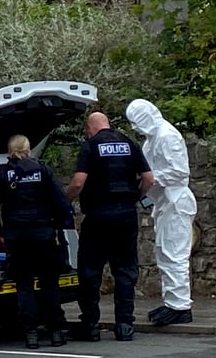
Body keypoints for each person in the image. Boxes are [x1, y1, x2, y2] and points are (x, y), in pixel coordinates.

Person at [66, 112, 154, 342]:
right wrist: (136, 195)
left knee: (90, 271)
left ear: (90, 127)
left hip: (98, 216)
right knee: (125, 271)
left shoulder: (90, 146)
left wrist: (65, 200)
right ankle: (125, 325)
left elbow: (78, 182)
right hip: (126, 216)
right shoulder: (128, 142)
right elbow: (149, 178)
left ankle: (91, 325)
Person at [0, 134, 69, 349]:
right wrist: (57, 226)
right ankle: (56, 332)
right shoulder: (43, 171)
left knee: (25, 286)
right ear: (29, 150)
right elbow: (61, 202)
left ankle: (31, 334)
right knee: (49, 284)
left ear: (9, 152)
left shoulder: (4, 174)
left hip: (17, 237)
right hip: (44, 235)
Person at [126, 99, 197, 326]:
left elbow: (178, 172)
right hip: (165, 201)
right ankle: (173, 302)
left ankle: (180, 306)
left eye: (137, 122)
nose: (135, 127)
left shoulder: (167, 136)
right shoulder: (151, 140)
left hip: (176, 200)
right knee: (165, 253)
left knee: (174, 253)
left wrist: (150, 179)